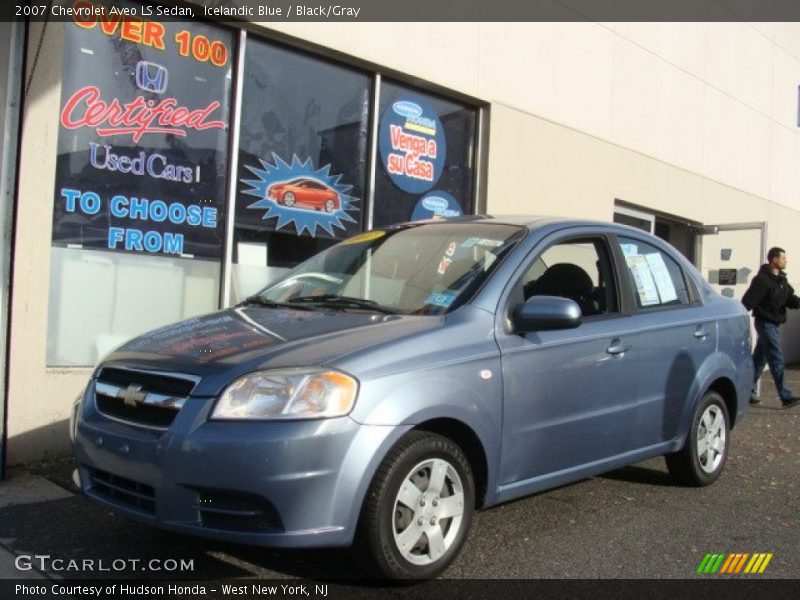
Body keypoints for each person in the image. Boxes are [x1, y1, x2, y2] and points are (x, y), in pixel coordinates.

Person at [742, 247, 800, 408]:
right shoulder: (762, 280)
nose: (785, 261)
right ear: (774, 259)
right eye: (783, 258)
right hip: (765, 324)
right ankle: (786, 396)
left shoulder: (781, 280)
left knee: (759, 359)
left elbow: (791, 299)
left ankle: (748, 392)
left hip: (774, 325)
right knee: (776, 358)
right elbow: (747, 301)